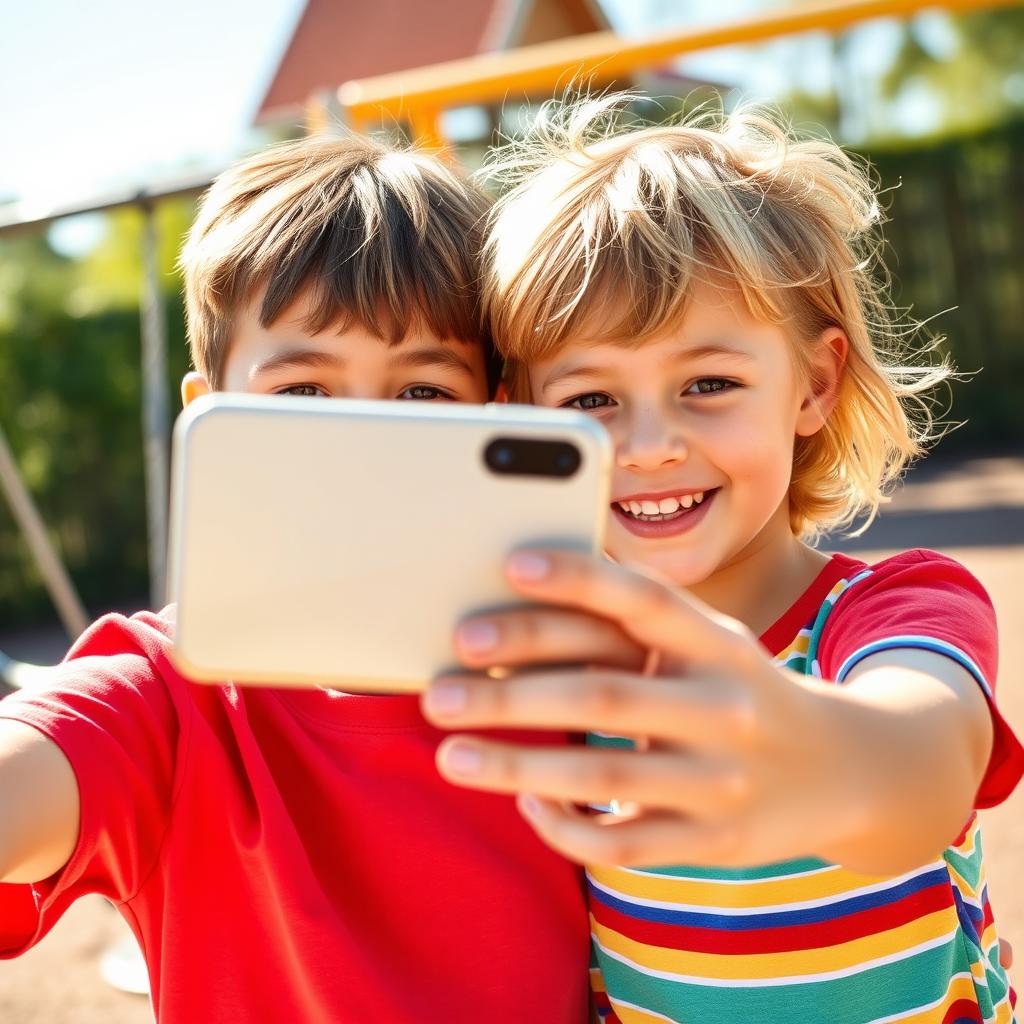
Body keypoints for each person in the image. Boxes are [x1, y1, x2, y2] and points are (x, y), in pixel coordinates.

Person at [420, 94, 1024, 1023]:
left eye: (709, 383)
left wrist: (810, 747)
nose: (650, 445)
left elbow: (925, 766)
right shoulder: (558, 669)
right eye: (590, 401)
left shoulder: (893, 612)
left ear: (813, 385)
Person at [0, 133, 591, 1022]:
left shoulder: (578, 681)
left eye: (423, 393)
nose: (362, 450)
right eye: (303, 395)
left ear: (494, 414)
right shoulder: (168, 698)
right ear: (209, 419)